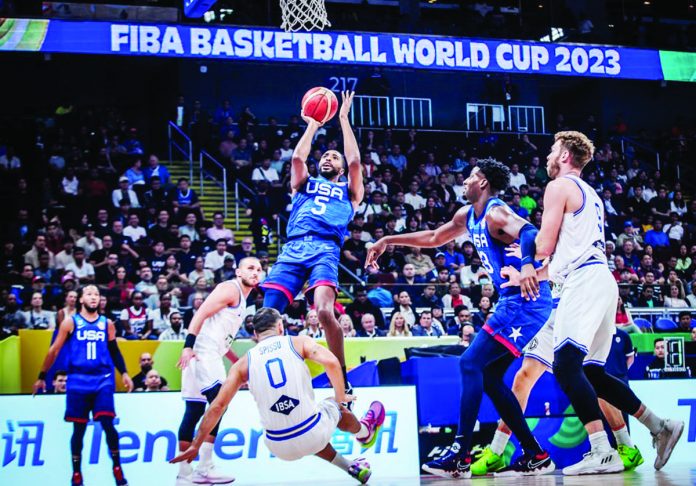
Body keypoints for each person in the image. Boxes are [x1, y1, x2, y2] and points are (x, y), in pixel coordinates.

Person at [367, 158, 554, 478]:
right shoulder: (467, 215)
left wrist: (526, 265)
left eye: (470, 176)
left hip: (526, 302)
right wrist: (388, 240)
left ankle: (461, 453)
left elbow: (530, 231)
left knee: (469, 364)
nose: (463, 181)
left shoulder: (496, 211)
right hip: (511, 301)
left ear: (482, 183)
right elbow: (434, 238)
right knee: (490, 378)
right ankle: (535, 453)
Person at [526, 130, 683, 474]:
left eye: (554, 150)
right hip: (599, 278)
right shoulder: (591, 194)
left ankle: (602, 451)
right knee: (591, 372)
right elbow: (561, 257)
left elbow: (544, 245)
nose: (550, 156)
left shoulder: (558, 187)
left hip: (583, 281)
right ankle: (660, 426)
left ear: (566, 154)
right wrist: (533, 276)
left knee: (566, 367)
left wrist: (525, 256)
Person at [170, 307, 385, 485]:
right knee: (330, 406)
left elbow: (216, 407)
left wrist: (195, 445)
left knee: (302, 426)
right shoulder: (297, 342)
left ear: (255, 335)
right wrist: (341, 399)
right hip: (311, 431)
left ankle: (350, 466)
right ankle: (364, 432)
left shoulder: (242, 364)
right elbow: (331, 362)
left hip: (277, 446)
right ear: (280, 327)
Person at [260, 92, 363, 402]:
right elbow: (297, 159)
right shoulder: (304, 184)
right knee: (266, 314)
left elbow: (356, 160)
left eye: (334, 157)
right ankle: (268, 374)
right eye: (325, 156)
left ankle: (340, 375)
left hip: (325, 249)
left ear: (342, 169)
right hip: (292, 249)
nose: (328, 158)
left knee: (323, 310)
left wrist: (343, 119)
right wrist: (313, 125)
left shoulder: (349, 190)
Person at [32, 285, 133, 486]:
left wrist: (125, 373)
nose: (93, 297)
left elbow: (114, 351)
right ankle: (76, 473)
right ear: (81, 299)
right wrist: (42, 376)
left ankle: (117, 467)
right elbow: (54, 350)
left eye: (96, 294)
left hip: (102, 379)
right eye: (89, 294)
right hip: (78, 380)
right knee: (79, 430)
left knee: (108, 424)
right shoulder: (70, 322)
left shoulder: (107, 324)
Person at [174, 257, 262, 484]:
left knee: (193, 411)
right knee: (219, 403)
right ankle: (204, 467)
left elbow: (223, 338)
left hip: (206, 354)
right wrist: (187, 347)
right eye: (250, 268)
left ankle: (184, 475)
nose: (255, 272)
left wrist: (235, 361)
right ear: (238, 271)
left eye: (259, 269)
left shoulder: (242, 299)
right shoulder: (229, 289)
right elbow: (200, 314)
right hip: (202, 352)